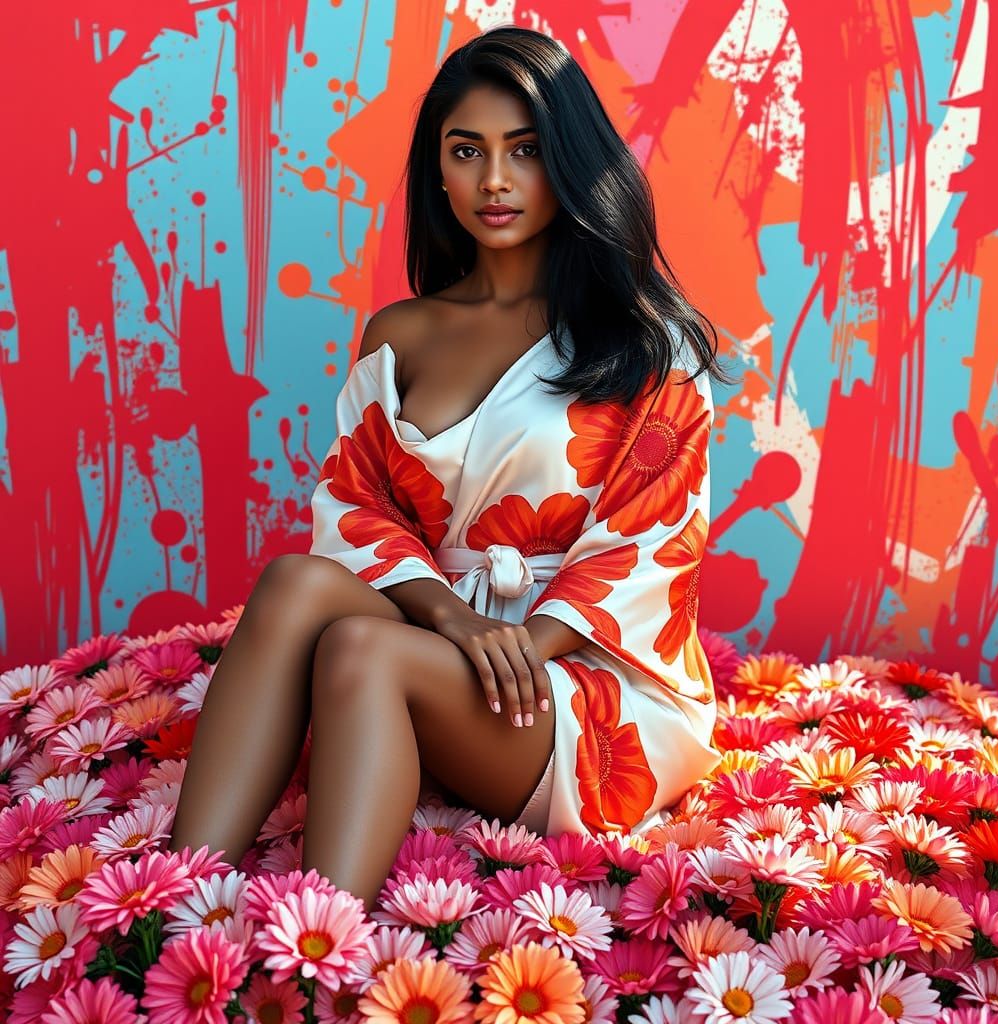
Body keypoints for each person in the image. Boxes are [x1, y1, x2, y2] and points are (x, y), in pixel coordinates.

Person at [168, 25, 735, 913]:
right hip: (445, 631)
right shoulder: (400, 334)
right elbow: (358, 506)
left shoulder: (645, 347)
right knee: (293, 584)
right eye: (467, 151)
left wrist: (514, 643)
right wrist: (453, 624)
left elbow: (650, 546)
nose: (495, 181)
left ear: (572, 162)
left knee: (362, 648)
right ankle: (177, 893)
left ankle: (325, 941)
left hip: (587, 679)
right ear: (438, 168)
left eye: (526, 151)